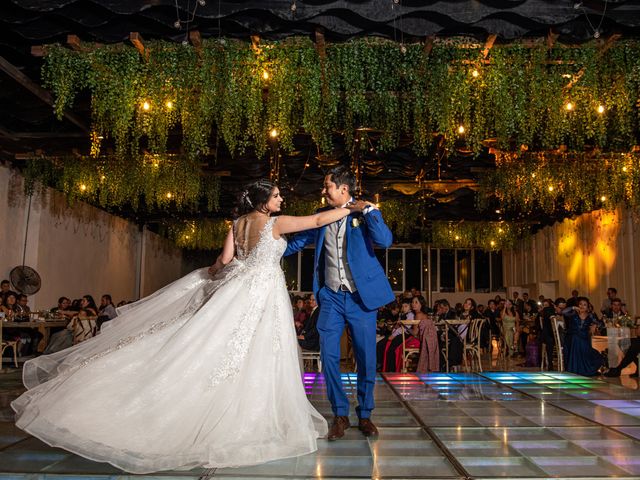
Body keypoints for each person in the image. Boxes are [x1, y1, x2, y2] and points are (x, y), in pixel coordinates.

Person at [11, 178, 365, 474]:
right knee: (255, 349)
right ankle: (240, 415)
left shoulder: (236, 224)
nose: (281, 198)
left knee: (214, 344)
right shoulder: (276, 222)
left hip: (239, 288)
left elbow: (223, 261)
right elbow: (317, 223)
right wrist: (351, 207)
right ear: (264, 203)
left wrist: (212, 277)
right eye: (276, 195)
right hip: (263, 294)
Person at [284, 165, 394, 441]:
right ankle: (340, 415)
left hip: (361, 298)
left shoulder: (365, 213)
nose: (323, 191)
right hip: (331, 297)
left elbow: (385, 240)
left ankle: (365, 414)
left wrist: (370, 211)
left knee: (367, 359)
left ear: (343, 189)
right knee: (329, 357)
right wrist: (266, 249)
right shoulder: (321, 216)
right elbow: (296, 243)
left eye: (327, 186)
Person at [563, 297, 604, 376]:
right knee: (576, 338)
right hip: (571, 338)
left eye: (585, 305)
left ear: (588, 307)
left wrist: (595, 325)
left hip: (584, 338)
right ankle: (575, 369)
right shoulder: (573, 313)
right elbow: (563, 312)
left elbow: (601, 324)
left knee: (595, 354)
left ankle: (584, 369)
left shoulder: (590, 316)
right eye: (580, 304)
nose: (582, 306)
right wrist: (573, 307)